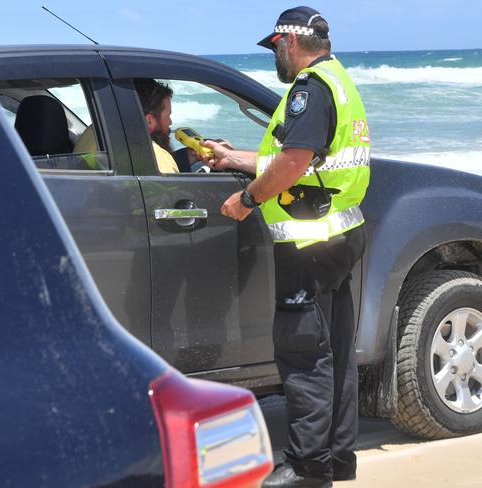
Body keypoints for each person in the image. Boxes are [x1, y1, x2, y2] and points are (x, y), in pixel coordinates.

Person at [201, 6, 371, 488]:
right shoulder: (337, 80)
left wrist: (247, 198)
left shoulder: (308, 90)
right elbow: (300, 155)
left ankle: (306, 468)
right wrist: (234, 157)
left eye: (275, 46)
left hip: (308, 244)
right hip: (337, 236)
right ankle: (338, 460)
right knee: (334, 353)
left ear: (289, 42)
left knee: (304, 356)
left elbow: (294, 161)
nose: (275, 55)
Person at [135, 79, 196, 173]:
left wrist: (190, 156)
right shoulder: (159, 158)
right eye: (168, 116)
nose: (170, 122)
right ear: (149, 121)